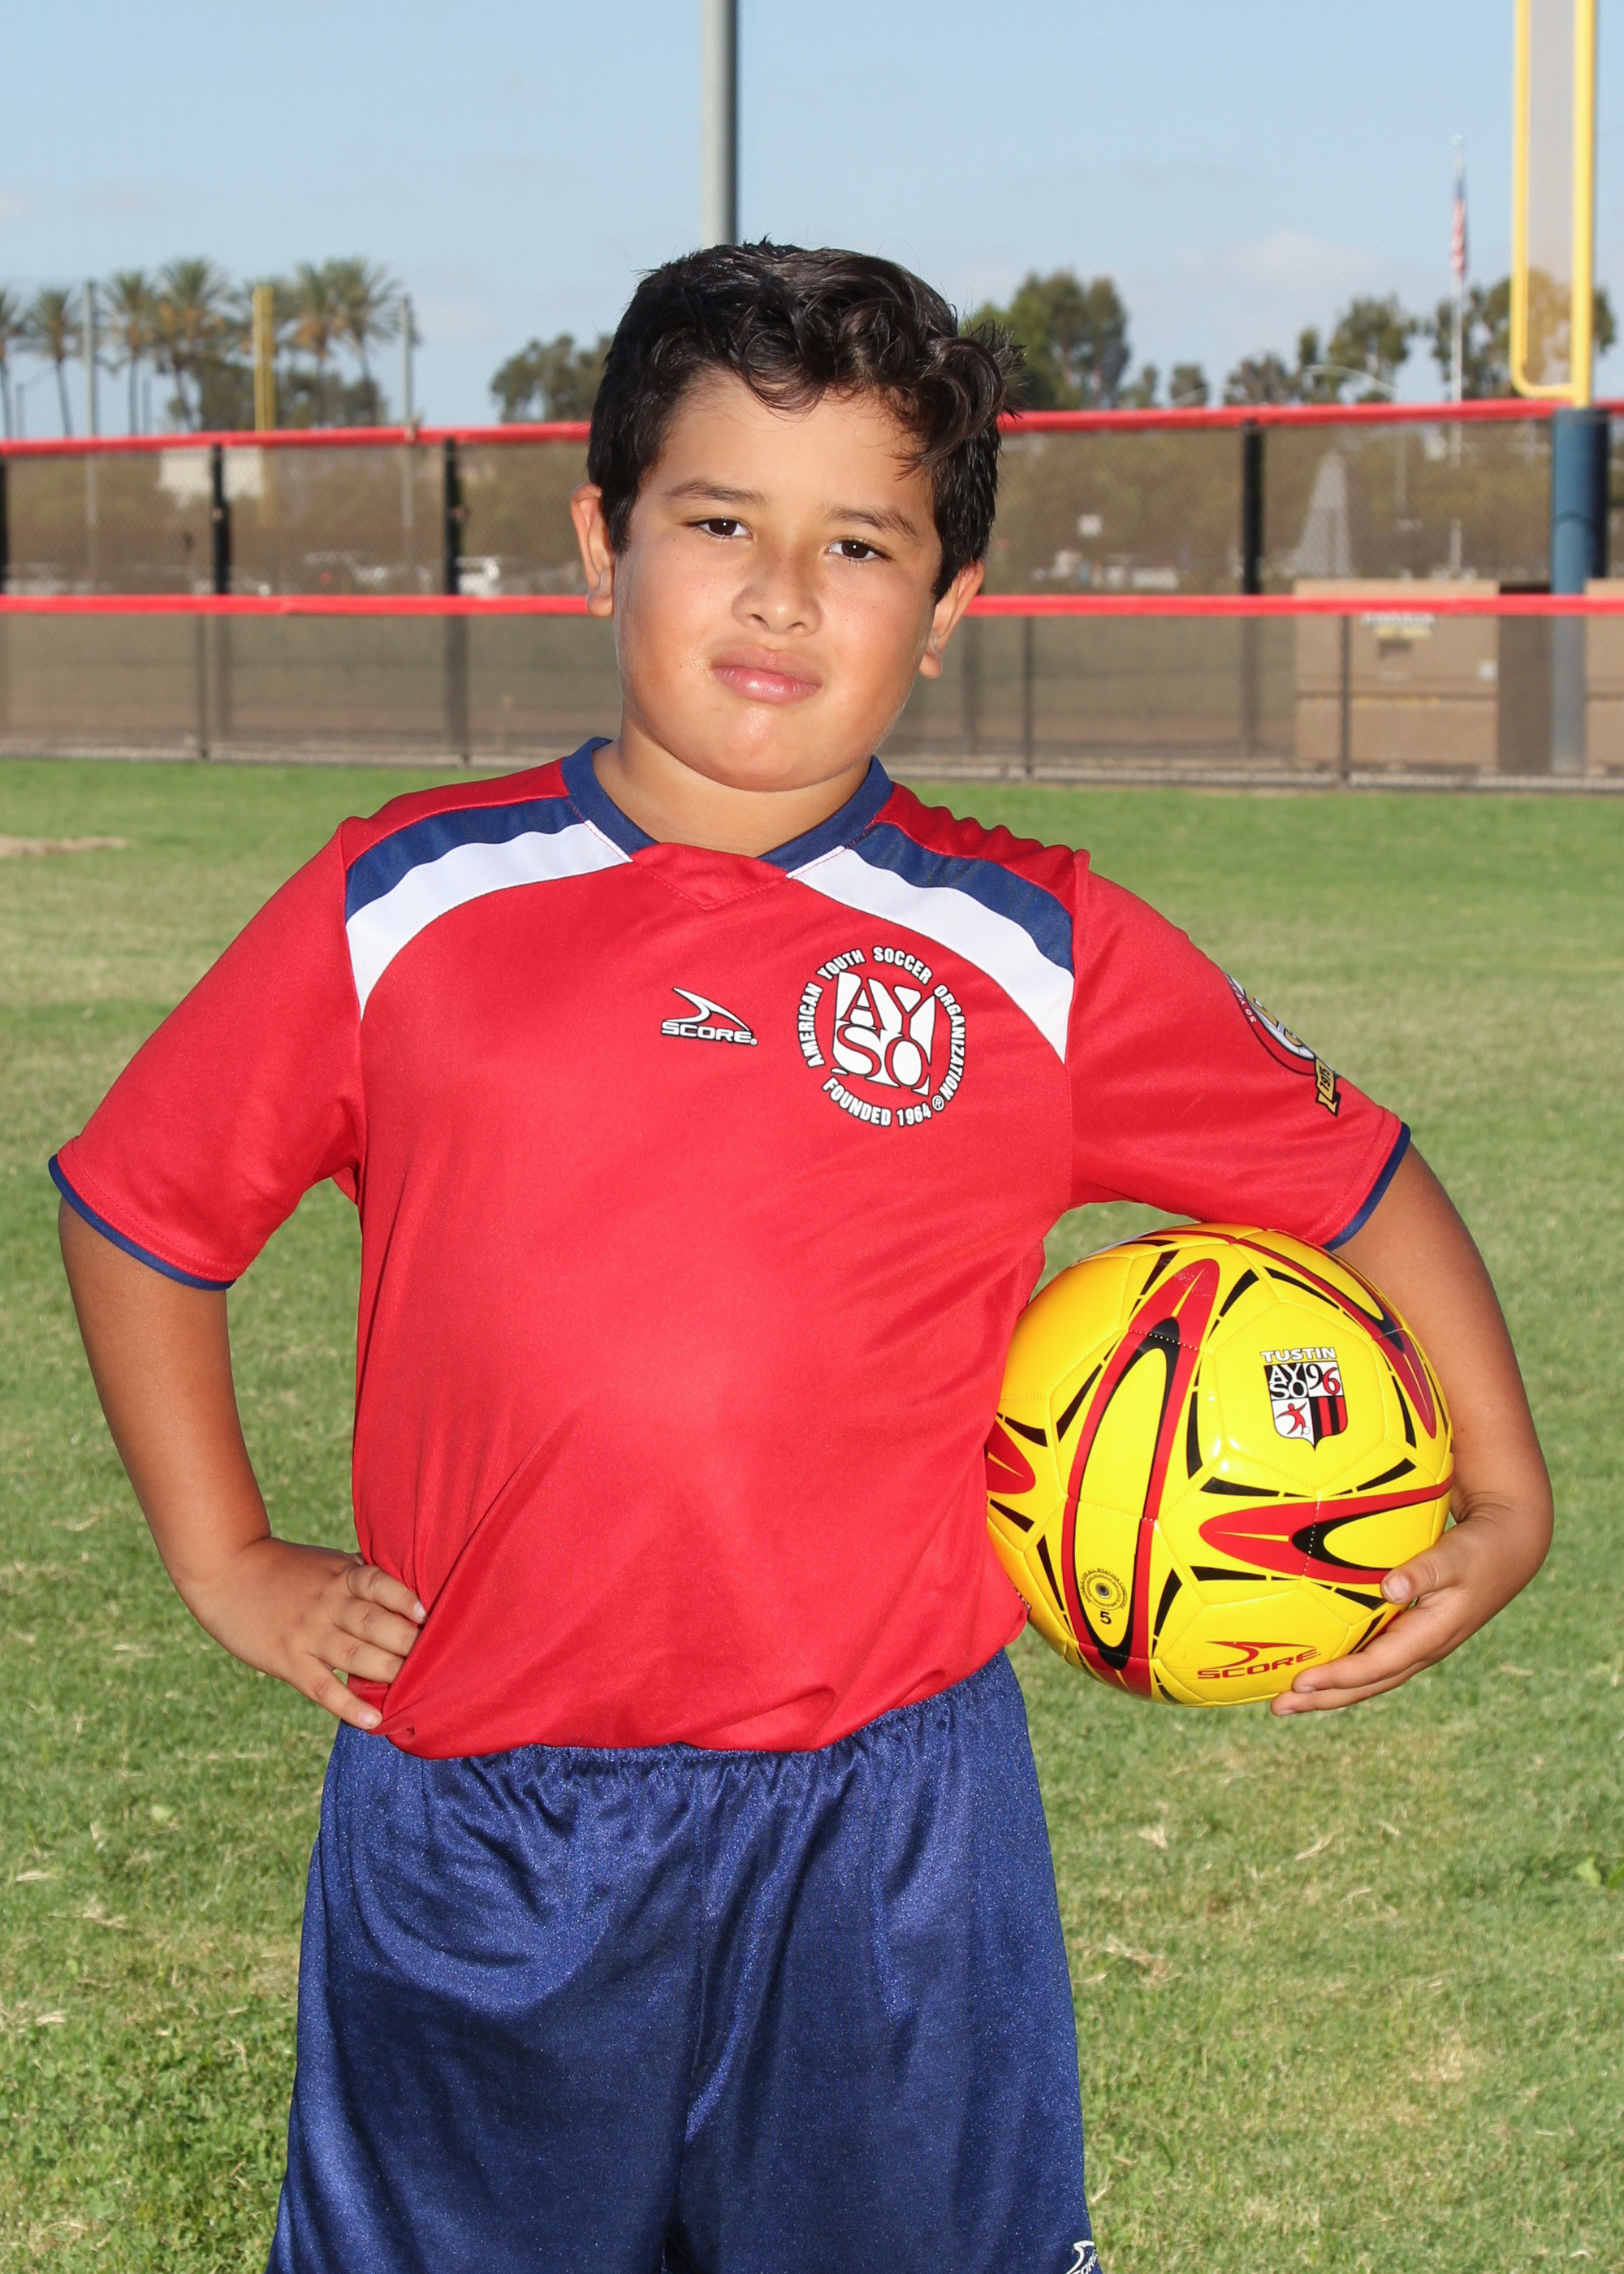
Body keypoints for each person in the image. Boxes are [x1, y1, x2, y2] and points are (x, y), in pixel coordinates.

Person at [53, 244, 1553, 2274]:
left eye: (858, 543)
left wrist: (1502, 1482)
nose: (780, 592)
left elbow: (1347, 1167)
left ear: (946, 609)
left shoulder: (1034, 947)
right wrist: (227, 1554)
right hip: (485, 1815)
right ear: (602, 539)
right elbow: (144, 1205)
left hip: (891, 1829)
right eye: (718, 522)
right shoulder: (406, 900)